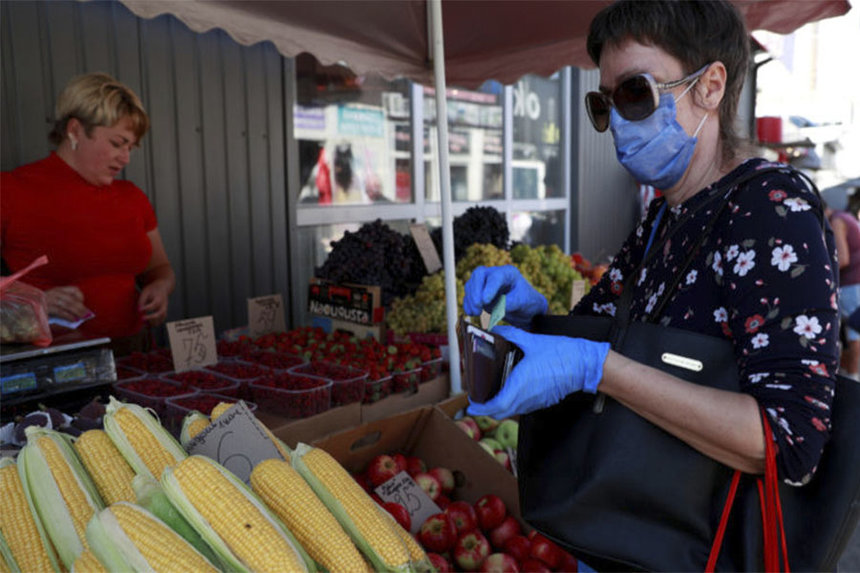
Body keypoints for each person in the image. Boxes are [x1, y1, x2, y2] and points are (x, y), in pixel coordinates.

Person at [465, 0, 838, 565]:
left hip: (708, 549)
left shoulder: (769, 209)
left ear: (710, 87)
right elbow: (592, 337)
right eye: (604, 102)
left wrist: (598, 370)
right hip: (629, 537)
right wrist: (533, 316)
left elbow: (788, 441)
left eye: (635, 93)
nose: (616, 120)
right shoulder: (664, 218)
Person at [1, 72, 175, 353]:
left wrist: (161, 288)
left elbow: (159, 269)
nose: (125, 158)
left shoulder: (131, 195)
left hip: (134, 354)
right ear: (75, 130)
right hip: (55, 363)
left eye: (131, 147)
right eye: (117, 143)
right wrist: (35, 301)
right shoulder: (11, 190)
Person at [825, 203, 860, 380]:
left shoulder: (837, 221)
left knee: (853, 333)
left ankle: (853, 377)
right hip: (856, 282)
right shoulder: (845, 215)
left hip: (851, 284)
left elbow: (842, 258)